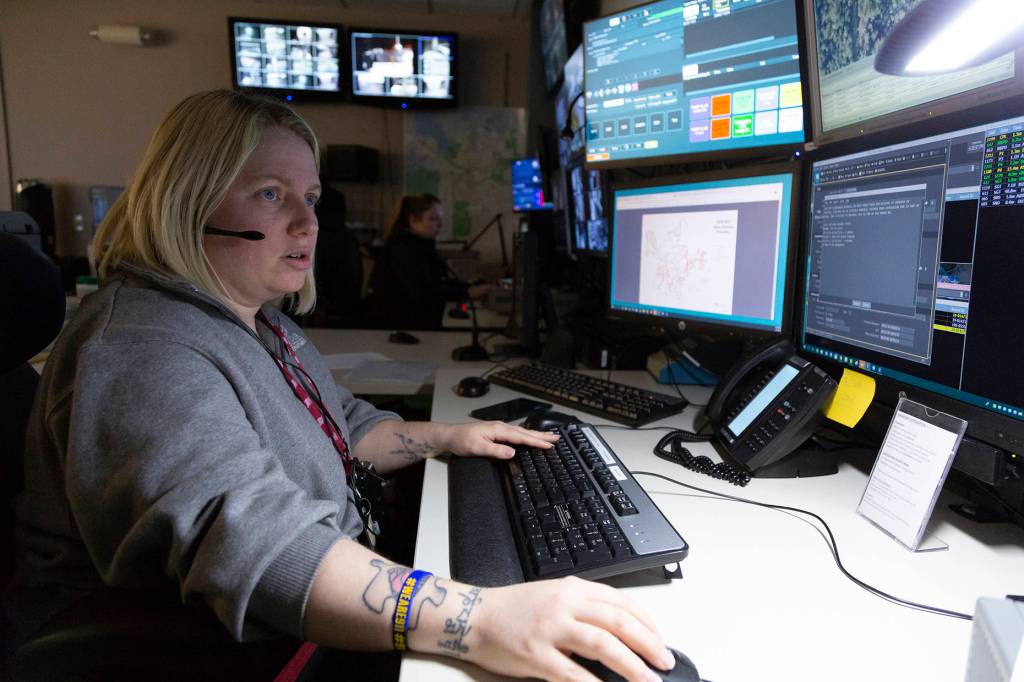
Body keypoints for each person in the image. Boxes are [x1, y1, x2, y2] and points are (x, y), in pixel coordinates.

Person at [4, 90, 675, 682]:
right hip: (231, 653)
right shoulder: (142, 348)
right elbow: (257, 548)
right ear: (190, 197)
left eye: (312, 198)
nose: (307, 222)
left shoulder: (257, 321)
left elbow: (345, 429)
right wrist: (482, 617)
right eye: (271, 193)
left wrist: (451, 435)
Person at [364, 193, 491, 330]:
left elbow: (435, 281)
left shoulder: (420, 245)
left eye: (439, 219)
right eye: (433, 219)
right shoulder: (404, 249)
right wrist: (468, 293)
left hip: (410, 322)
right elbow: (423, 292)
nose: (440, 225)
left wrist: (468, 285)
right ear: (413, 220)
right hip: (397, 326)